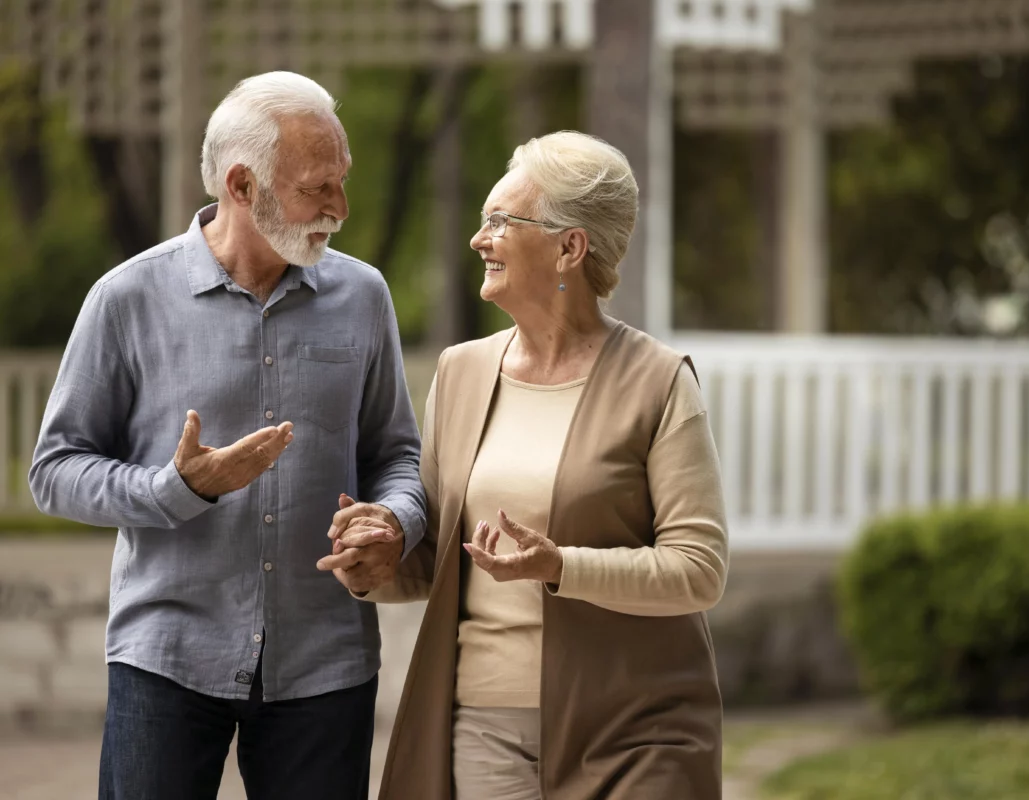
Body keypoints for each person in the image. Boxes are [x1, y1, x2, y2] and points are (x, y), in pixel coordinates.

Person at [28, 71, 425, 800]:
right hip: (167, 657)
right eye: (317, 188)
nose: (341, 207)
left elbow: (396, 453)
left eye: (343, 181)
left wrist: (396, 521)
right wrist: (176, 490)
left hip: (325, 663)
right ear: (242, 186)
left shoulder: (364, 296)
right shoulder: (126, 298)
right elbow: (55, 470)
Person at [322, 131, 729, 799]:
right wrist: (378, 560)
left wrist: (561, 566)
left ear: (570, 246)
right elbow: (437, 559)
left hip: (636, 730)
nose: (480, 239)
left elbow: (699, 569)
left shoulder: (659, 381)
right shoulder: (461, 373)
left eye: (499, 222)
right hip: (484, 729)